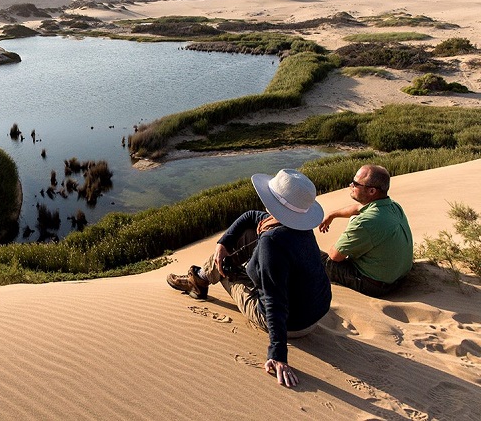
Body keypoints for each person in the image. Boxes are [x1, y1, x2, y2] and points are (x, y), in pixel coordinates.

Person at [166, 169, 332, 388]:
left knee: (222, 265)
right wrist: (223, 243)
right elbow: (250, 216)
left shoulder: (272, 242)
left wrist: (278, 353)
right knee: (243, 237)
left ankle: (199, 280)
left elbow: (274, 301)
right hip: (313, 315)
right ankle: (200, 277)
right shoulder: (298, 226)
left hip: (293, 325)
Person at [318, 164, 413, 297]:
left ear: (372, 191)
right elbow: (358, 208)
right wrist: (332, 215)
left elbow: (335, 256)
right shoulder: (392, 206)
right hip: (397, 277)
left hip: (374, 285)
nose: (351, 185)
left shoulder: (366, 222)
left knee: (316, 256)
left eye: (356, 184)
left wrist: (348, 235)